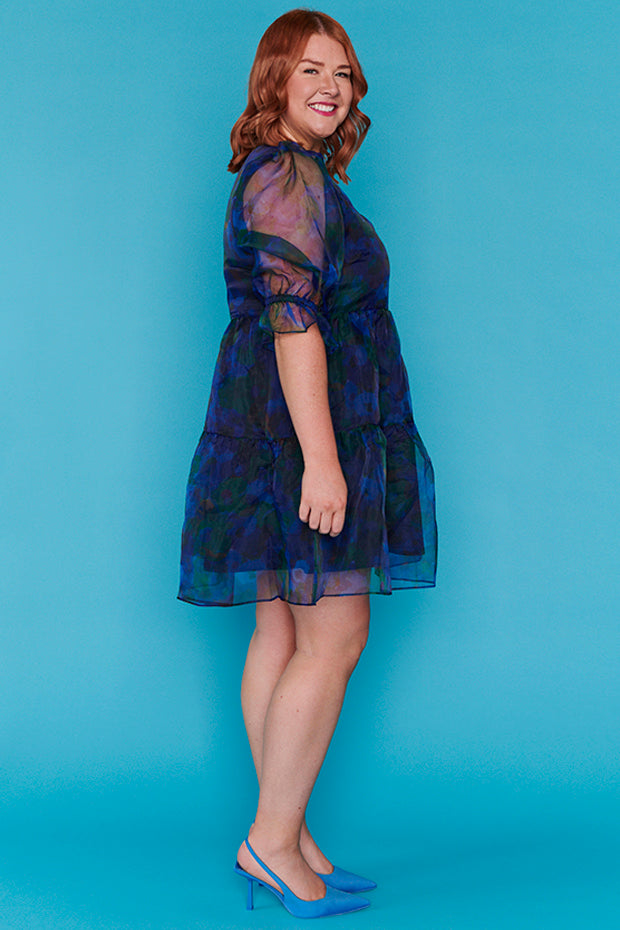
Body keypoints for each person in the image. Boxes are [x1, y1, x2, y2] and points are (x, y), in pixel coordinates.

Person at [178, 8, 437, 919]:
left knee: (281, 636)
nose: (331, 86)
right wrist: (323, 465)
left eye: (343, 72)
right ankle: (271, 840)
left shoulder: (289, 170)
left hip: (267, 426)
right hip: (301, 432)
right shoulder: (287, 174)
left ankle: (289, 835)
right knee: (335, 638)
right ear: (276, 82)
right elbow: (295, 328)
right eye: (310, 70)